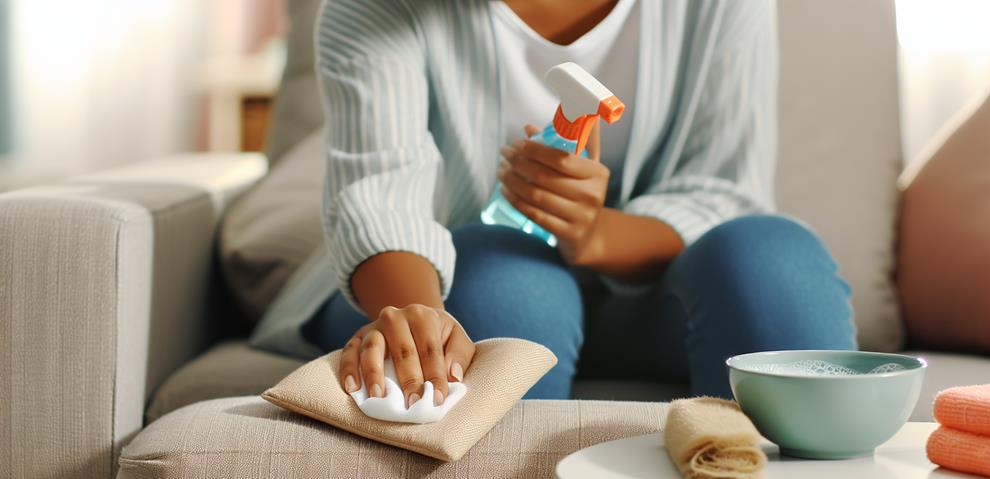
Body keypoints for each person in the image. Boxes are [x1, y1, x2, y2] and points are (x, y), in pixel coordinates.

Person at [251, 0, 856, 408]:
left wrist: (594, 235)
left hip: (655, 299)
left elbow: (723, 189)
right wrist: (416, 314)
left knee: (774, 262)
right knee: (508, 282)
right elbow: (380, 192)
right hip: (446, 285)